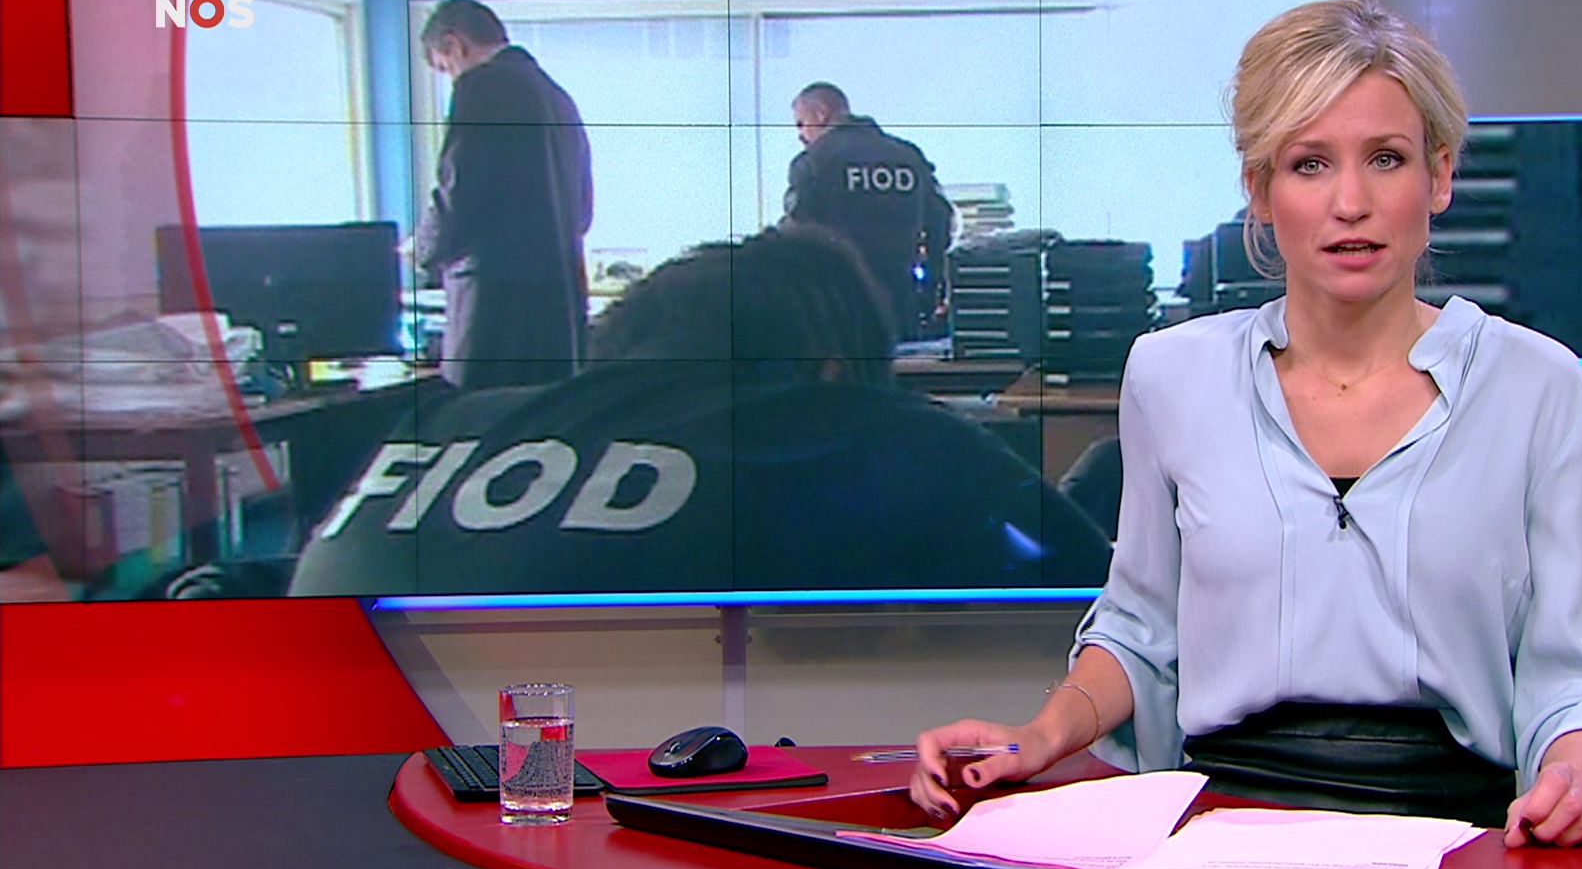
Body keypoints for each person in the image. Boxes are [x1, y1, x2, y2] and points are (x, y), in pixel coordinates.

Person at [911, 0, 1582, 849]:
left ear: (1439, 176)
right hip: (1221, 832)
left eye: (1386, 158)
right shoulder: (1172, 375)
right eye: (1309, 164)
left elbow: (1579, 679)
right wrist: (1040, 737)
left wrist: (1574, 782)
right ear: (1259, 190)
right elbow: (1141, 632)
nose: (1350, 202)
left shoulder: (1538, 388)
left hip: (1453, 835)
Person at [288, 225, 1112, 597]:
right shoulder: (863, 430)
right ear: (833, 371)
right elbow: (1104, 606)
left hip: (334, 803)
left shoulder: (444, 424)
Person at [415, 0, 593, 390]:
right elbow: (582, 212)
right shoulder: (560, 98)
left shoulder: (480, 86)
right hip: (558, 315)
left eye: (445, 68)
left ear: (454, 44)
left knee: (477, 421)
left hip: (493, 315)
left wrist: (422, 250)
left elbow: (457, 194)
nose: (451, 78)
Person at [783, 83, 954, 341]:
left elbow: (796, 233)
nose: (801, 136)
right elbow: (940, 222)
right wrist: (932, 291)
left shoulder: (815, 161)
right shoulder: (908, 157)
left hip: (840, 305)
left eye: (801, 124)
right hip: (901, 300)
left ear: (821, 113)